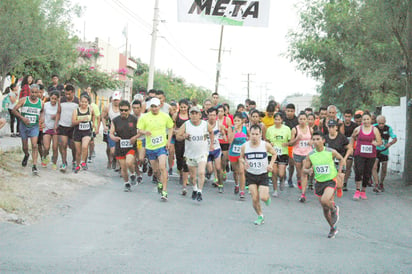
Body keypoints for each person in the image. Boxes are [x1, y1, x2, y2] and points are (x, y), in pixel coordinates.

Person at [300, 131, 344, 238]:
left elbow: (341, 159)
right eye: (313, 139)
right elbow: (304, 169)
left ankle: (334, 209)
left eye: (318, 139)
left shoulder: (331, 152)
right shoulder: (310, 155)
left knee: (325, 200)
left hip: (331, 180)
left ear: (323, 141)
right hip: (319, 183)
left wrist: (339, 172)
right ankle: (332, 228)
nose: (315, 141)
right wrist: (308, 171)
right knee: (324, 209)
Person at [137, 97, 174, 200]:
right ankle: (159, 182)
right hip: (150, 147)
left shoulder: (165, 116)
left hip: (161, 146)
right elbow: (139, 130)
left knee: (163, 167)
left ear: (159, 106)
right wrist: (145, 132)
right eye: (152, 106)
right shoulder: (144, 117)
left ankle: (165, 191)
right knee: (156, 171)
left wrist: (168, 141)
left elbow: (171, 127)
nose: (154, 109)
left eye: (156, 106)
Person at [240, 124, 277, 225]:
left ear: (260, 134)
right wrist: (244, 162)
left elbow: (274, 154)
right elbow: (241, 157)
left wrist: (271, 164)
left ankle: (267, 198)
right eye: (253, 134)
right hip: (251, 175)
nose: (254, 136)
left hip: (263, 174)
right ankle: (260, 215)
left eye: (257, 134)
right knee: (254, 198)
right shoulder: (245, 146)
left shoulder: (265, 145)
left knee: (263, 197)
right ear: (249, 134)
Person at [176, 106, 214, 202]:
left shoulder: (205, 124)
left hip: (202, 153)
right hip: (190, 154)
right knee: (193, 176)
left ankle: (200, 192)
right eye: (192, 113)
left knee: (201, 172)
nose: (193, 115)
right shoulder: (186, 124)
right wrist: (184, 136)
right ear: (189, 115)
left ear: (200, 115)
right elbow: (177, 137)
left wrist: (211, 144)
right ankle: (195, 188)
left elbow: (211, 132)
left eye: (195, 113)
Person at [12, 84, 43, 175]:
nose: (33, 94)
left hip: (34, 126)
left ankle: (34, 166)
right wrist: (22, 118)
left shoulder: (41, 103)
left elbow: (42, 112)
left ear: (39, 93)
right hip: (24, 126)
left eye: (36, 92)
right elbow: (14, 110)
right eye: (32, 92)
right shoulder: (24, 100)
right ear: (30, 92)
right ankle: (26, 155)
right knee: (25, 147)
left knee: (34, 145)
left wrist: (41, 120)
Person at [350, 113, 382, 200]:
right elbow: (352, 138)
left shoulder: (374, 130)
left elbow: (380, 142)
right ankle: (357, 190)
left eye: (368, 119)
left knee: (367, 173)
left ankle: (363, 191)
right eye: (364, 119)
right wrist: (351, 149)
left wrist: (376, 143)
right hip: (359, 154)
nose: (366, 121)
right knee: (358, 171)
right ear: (362, 120)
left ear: (370, 120)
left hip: (371, 155)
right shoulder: (358, 129)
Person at [110, 100, 140, 191]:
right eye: (121, 110)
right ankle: (126, 183)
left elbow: (140, 132)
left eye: (125, 110)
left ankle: (133, 173)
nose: (123, 112)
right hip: (120, 145)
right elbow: (111, 133)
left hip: (131, 145)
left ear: (129, 110)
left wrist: (135, 137)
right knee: (123, 167)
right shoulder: (115, 120)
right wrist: (113, 137)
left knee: (129, 162)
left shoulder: (134, 119)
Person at [324, 119, 353, 198]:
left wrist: (345, 158)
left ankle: (339, 188)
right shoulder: (325, 138)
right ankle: (330, 194)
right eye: (329, 127)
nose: (331, 128)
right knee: (329, 180)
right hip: (329, 162)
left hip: (340, 161)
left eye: (332, 127)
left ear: (336, 127)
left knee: (339, 182)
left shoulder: (341, 137)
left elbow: (350, 148)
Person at [55, 84, 79, 172]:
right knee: (63, 144)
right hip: (63, 125)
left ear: (73, 93)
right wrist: (56, 124)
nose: (67, 96)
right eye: (66, 94)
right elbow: (58, 112)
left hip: (73, 127)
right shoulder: (61, 100)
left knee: (73, 146)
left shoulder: (77, 101)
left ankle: (74, 160)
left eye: (69, 94)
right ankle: (64, 162)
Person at [265, 112, 291, 196]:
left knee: (281, 173)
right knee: (274, 172)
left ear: (282, 120)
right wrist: (270, 144)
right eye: (275, 119)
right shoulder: (270, 129)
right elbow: (267, 140)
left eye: (278, 120)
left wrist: (287, 144)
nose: (277, 121)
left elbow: (290, 140)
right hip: (272, 153)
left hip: (283, 152)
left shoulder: (287, 129)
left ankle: (282, 179)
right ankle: (275, 190)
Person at [372, 115, 397, 192]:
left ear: (385, 122)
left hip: (384, 150)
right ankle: (376, 183)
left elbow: (395, 138)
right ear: (377, 122)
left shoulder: (388, 128)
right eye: (379, 123)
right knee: (374, 167)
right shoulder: (373, 127)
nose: (381, 125)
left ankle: (381, 183)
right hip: (376, 150)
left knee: (384, 168)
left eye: (382, 123)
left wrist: (390, 144)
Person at [72, 93, 95, 173]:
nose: (84, 103)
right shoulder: (76, 111)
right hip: (78, 132)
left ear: (88, 102)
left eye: (85, 102)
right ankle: (78, 165)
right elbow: (73, 122)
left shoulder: (90, 109)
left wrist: (93, 124)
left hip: (87, 132)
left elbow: (94, 116)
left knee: (85, 146)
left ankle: (83, 162)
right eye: (82, 102)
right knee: (78, 152)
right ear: (79, 102)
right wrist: (81, 120)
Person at [289, 112, 313, 191]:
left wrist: (311, 142)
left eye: (304, 119)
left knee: (304, 171)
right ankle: (299, 180)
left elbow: (313, 140)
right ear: (298, 120)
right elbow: (291, 143)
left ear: (306, 120)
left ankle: (304, 189)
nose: (302, 121)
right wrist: (297, 139)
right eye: (301, 119)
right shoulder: (295, 129)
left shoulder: (310, 129)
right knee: (299, 172)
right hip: (297, 153)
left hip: (307, 153)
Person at [228, 113, 248, 199]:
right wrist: (234, 131)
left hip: (242, 154)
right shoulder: (231, 128)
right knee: (235, 171)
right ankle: (236, 184)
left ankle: (242, 191)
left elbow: (250, 138)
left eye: (238, 120)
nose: (236, 122)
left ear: (242, 121)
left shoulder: (245, 129)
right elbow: (230, 141)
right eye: (235, 120)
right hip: (233, 152)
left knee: (241, 172)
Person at [172, 99, 190, 194]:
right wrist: (177, 132)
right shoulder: (176, 115)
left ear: (187, 107)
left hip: (188, 140)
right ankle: (180, 171)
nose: (183, 109)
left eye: (185, 107)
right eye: (182, 107)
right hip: (178, 140)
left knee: (186, 158)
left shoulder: (190, 116)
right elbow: (172, 128)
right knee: (179, 158)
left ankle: (185, 176)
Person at [101, 91, 121, 170]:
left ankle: (117, 161)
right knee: (110, 149)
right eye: (115, 100)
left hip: (119, 130)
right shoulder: (107, 107)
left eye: (117, 100)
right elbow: (102, 116)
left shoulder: (123, 107)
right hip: (109, 129)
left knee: (118, 148)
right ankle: (110, 160)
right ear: (112, 99)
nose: (116, 101)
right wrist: (104, 125)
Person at [206, 107, 224, 193]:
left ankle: (220, 184)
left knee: (218, 167)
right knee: (210, 169)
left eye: (214, 115)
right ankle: (208, 173)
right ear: (207, 115)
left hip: (216, 149)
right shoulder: (204, 124)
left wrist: (224, 135)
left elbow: (224, 133)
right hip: (207, 149)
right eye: (210, 115)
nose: (212, 117)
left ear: (216, 116)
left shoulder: (219, 124)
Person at [41, 91, 59, 169]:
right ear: (50, 97)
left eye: (55, 99)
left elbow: (61, 115)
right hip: (47, 127)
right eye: (52, 98)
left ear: (57, 99)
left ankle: (54, 162)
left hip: (56, 129)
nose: (53, 100)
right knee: (46, 147)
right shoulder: (45, 105)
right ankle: (45, 157)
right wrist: (42, 122)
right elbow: (42, 114)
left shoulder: (59, 106)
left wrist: (57, 117)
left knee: (55, 147)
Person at [283, 103, 299, 187]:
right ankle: (283, 176)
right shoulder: (282, 119)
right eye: (288, 111)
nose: (289, 113)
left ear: (294, 111)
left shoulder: (296, 121)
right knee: (282, 163)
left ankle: (290, 178)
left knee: (291, 163)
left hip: (292, 144)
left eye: (291, 111)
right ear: (285, 111)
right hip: (283, 144)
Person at [343, 109, 358, 191]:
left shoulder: (354, 125)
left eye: (349, 117)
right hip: (342, 148)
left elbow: (356, 136)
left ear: (351, 117)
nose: (347, 118)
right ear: (343, 116)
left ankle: (345, 182)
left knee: (348, 165)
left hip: (351, 147)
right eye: (346, 116)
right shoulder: (341, 124)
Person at [85, 87, 101, 163]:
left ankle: (90, 155)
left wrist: (97, 128)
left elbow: (98, 117)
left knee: (91, 142)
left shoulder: (94, 106)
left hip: (92, 128)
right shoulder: (80, 106)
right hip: (83, 127)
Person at [216, 104, 231, 180]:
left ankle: (224, 170)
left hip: (225, 142)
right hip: (216, 142)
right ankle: (217, 177)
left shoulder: (227, 119)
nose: (220, 113)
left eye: (221, 111)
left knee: (224, 160)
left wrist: (224, 128)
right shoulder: (215, 119)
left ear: (224, 112)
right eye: (218, 111)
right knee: (216, 160)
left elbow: (231, 131)